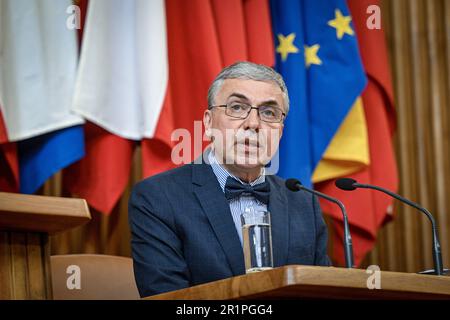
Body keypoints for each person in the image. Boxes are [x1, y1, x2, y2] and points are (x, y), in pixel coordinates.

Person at [129, 61, 331, 297]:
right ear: (207, 123)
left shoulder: (304, 204)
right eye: (236, 107)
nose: (253, 124)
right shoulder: (158, 198)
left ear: (281, 130)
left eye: (269, 113)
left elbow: (323, 291)